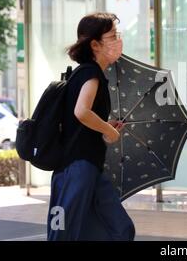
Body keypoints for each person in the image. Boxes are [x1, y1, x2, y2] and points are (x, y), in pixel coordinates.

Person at [47, 12, 135, 241]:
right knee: (64, 234)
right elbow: (81, 111)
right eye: (113, 36)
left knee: (120, 229)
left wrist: (104, 125)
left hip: (90, 168)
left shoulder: (90, 74)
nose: (119, 41)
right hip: (76, 168)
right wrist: (109, 130)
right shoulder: (90, 73)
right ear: (95, 44)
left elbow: (81, 118)